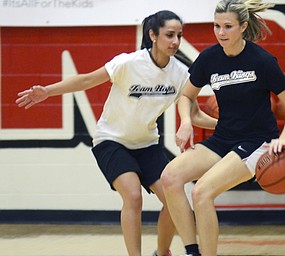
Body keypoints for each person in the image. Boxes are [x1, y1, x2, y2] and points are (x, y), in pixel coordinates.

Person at [15, 10, 215, 256]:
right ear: (153, 35)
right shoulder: (128, 63)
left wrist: (224, 124)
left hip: (147, 144)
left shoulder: (181, 73)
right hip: (111, 141)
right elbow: (87, 80)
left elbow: (194, 115)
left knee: (174, 199)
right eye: (169, 35)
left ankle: (162, 252)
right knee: (133, 196)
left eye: (179, 36)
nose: (175, 41)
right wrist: (47, 91)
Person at [160, 1, 285, 256]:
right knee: (170, 178)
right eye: (217, 26)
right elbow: (186, 97)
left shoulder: (263, 60)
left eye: (227, 27)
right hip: (224, 138)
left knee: (202, 192)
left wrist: (284, 138)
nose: (220, 32)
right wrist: (185, 122)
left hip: (257, 142)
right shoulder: (209, 58)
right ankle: (192, 250)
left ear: (243, 27)